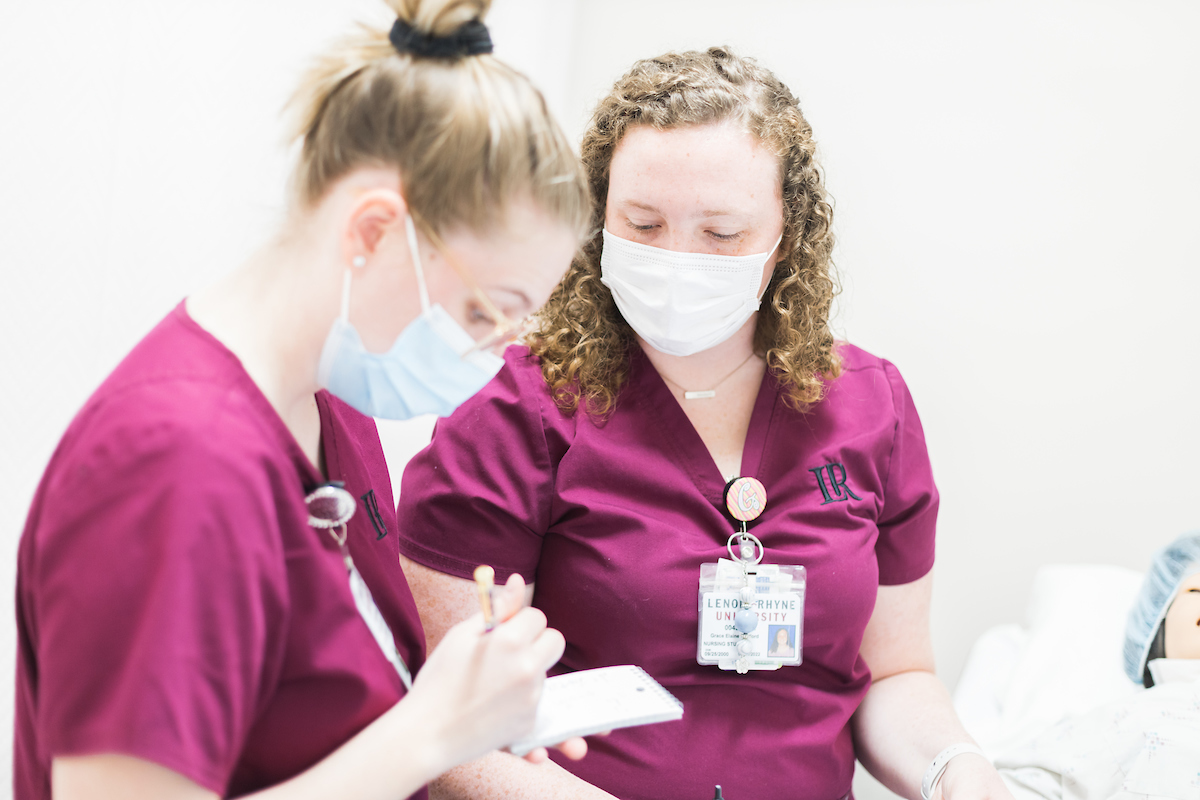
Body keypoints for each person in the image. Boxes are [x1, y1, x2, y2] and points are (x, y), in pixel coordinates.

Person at [395, 47, 1015, 799]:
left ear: (787, 238)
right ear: (596, 218)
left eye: (721, 234)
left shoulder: (869, 407)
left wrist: (958, 769)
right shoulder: (516, 412)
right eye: (643, 223)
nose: (677, 260)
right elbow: (438, 728)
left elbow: (897, 673)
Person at [13, 2, 593, 799]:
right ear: (373, 231)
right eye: (484, 312)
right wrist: (433, 733)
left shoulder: (328, 400)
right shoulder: (174, 460)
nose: (495, 359)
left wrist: (474, 708)